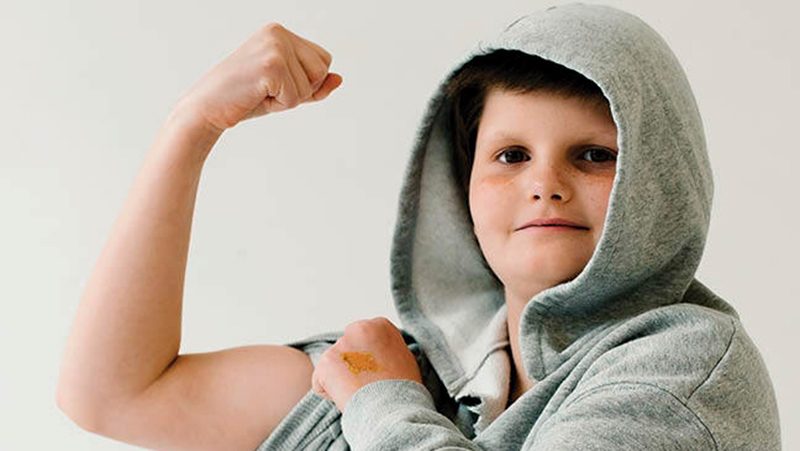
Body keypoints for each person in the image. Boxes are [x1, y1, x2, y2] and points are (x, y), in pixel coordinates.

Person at [56, 3, 781, 450]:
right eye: (511, 155)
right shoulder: (409, 369)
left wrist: (381, 404)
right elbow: (114, 394)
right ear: (462, 187)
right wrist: (193, 126)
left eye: (594, 154)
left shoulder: (688, 369)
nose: (545, 183)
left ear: (661, 180)